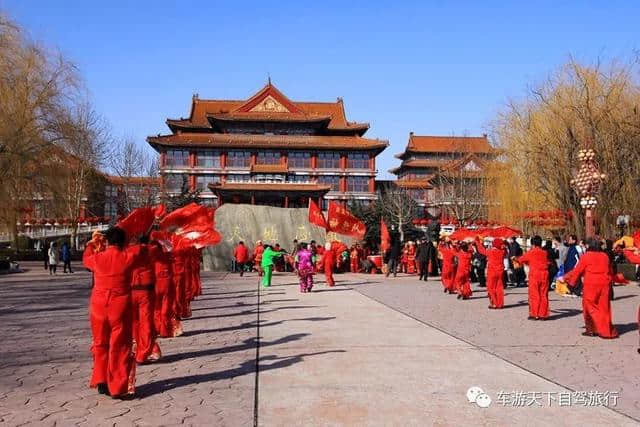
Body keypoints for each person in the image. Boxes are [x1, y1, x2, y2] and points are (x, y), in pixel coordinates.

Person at [82, 227, 143, 398]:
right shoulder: (128, 257)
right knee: (119, 345)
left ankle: (100, 380)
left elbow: (86, 259)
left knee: (100, 343)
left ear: (107, 241)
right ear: (123, 242)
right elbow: (140, 251)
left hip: (98, 306)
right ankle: (116, 385)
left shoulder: (97, 258)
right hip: (119, 305)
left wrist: (92, 244)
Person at [562, 238, 618, 339]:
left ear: (589, 246)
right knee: (604, 307)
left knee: (589, 307)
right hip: (604, 283)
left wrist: (571, 283)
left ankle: (595, 329)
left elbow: (578, 271)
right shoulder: (604, 256)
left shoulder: (587, 256)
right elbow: (610, 270)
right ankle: (605, 329)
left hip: (591, 283)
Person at [130, 235, 161, 364]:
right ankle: (144, 352)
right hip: (146, 291)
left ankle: (140, 347)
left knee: (135, 323)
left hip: (131, 290)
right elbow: (160, 247)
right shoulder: (151, 250)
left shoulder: (127, 251)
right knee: (146, 322)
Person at [516, 235, 550, 320]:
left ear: (533, 244)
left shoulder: (531, 252)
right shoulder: (544, 252)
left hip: (535, 274)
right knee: (543, 294)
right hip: (544, 274)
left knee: (534, 294)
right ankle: (543, 314)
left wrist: (515, 258)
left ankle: (535, 314)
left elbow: (521, 260)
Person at [475, 237, 505, 309]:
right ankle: (500, 304)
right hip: (500, 271)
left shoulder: (490, 251)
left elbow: (481, 250)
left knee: (491, 288)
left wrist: (478, 242)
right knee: (499, 288)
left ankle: (494, 303)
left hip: (492, 271)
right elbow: (504, 249)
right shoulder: (502, 252)